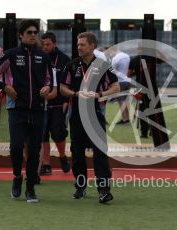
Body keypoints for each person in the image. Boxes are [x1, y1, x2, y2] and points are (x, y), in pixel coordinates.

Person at [0, 20, 57, 203]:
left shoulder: (43, 57)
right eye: (29, 32)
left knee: (34, 150)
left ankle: (31, 189)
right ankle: (17, 177)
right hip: (17, 108)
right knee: (16, 147)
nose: (33, 35)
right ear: (21, 35)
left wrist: (47, 88)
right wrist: (4, 87)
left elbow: (50, 80)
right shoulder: (10, 55)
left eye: (35, 32)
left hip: (39, 109)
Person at [60, 32, 119, 203]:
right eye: (78, 44)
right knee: (77, 154)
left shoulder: (103, 65)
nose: (79, 47)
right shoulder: (72, 66)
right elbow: (63, 87)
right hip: (76, 115)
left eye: (82, 44)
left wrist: (99, 94)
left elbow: (115, 87)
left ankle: (104, 190)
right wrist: (75, 93)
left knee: (100, 153)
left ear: (92, 46)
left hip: (96, 115)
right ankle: (81, 187)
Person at [40, 32, 71, 175]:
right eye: (43, 44)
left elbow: (68, 83)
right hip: (40, 104)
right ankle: (46, 164)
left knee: (58, 134)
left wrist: (66, 100)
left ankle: (62, 156)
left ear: (54, 44)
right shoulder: (38, 58)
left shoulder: (64, 59)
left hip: (59, 103)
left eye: (48, 44)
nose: (45, 47)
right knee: (42, 135)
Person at [109, 47, 131, 125]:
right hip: (127, 80)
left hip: (120, 82)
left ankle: (125, 120)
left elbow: (112, 70)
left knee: (121, 101)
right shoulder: (127, 56)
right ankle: (127, 119)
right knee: (125, 101)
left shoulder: (115, 58)